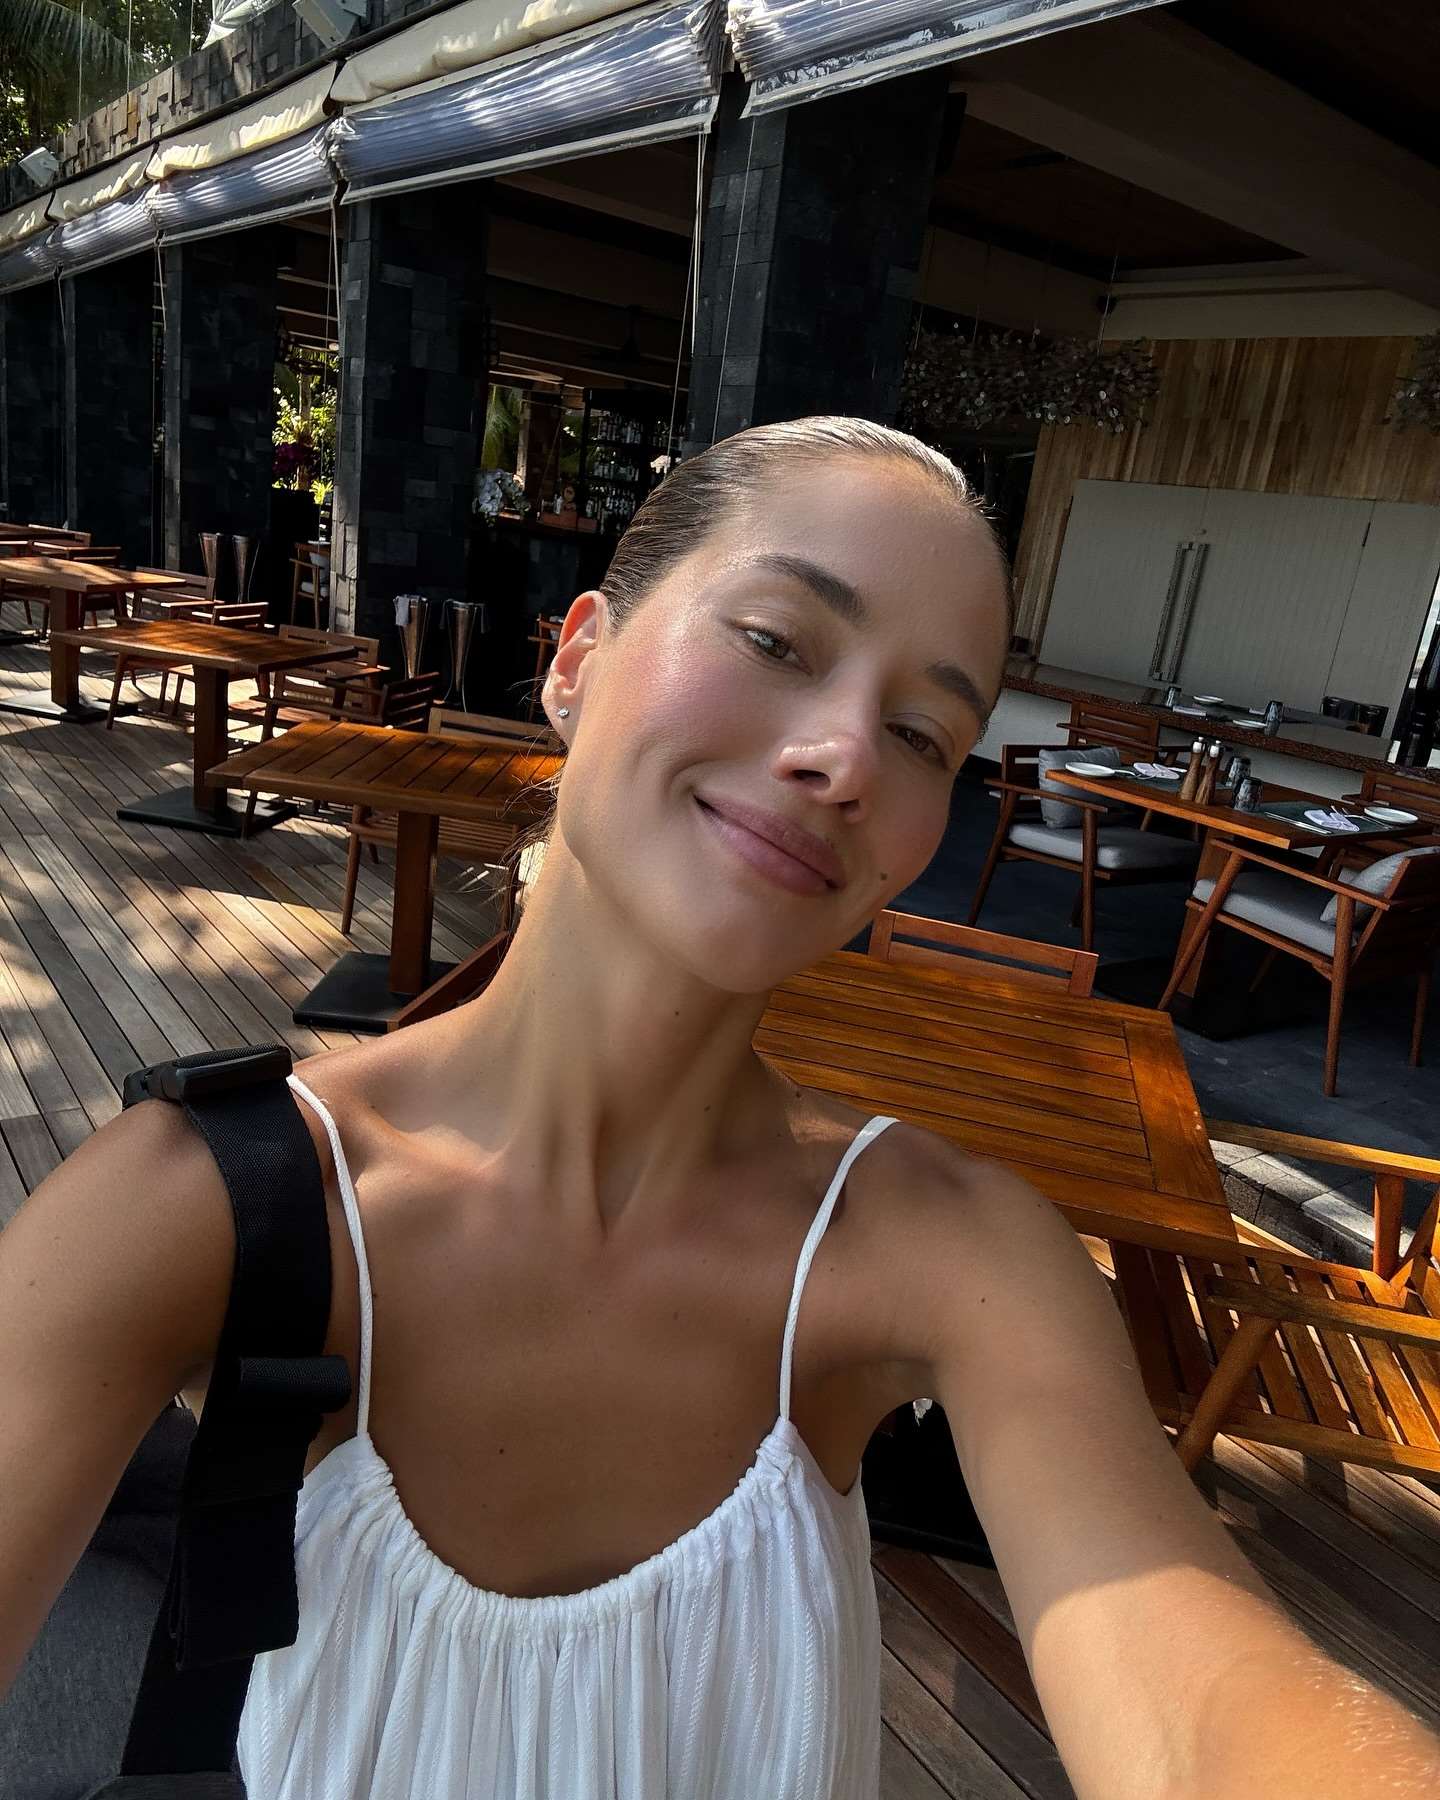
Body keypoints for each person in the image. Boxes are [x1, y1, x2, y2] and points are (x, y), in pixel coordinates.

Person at [1, 417, 1437, 1799]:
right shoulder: (196, 1204)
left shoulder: (949, 1251)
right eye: (774, 641)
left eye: (924, 733)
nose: (846, 756)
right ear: (577, 658)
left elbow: (1198, 1704)